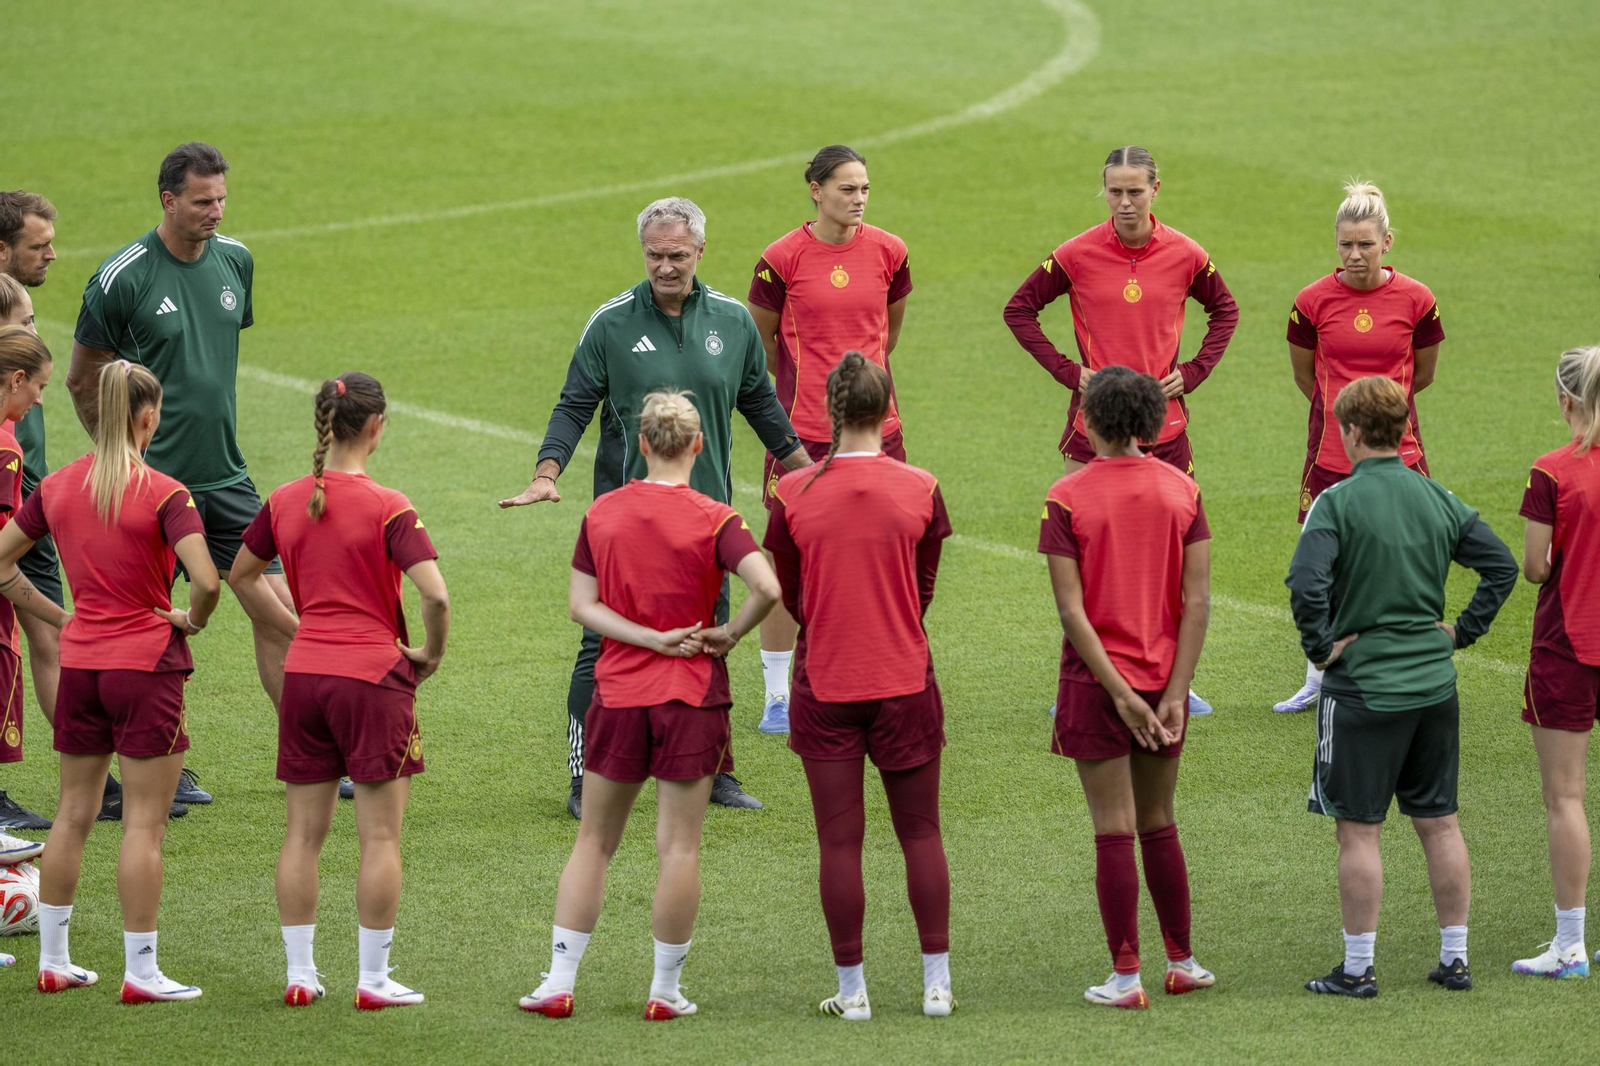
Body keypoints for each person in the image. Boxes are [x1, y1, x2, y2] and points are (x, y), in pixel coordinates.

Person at [500, 196, 811, 818]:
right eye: (654, 255)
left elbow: (760, 403)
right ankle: (586, 778)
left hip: (707, 517)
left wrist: (807, 473)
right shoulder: (611, 323)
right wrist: (546, 470)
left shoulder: (732, 320)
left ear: (700, 251)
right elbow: (573, 404)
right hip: (626, 522)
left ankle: (716, 771)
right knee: (599, 646)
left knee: (713, 641)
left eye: (677, 255)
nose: (665, 267)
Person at [519, 391, 779, 1020]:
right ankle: (664, 992)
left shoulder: (603, 513)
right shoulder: (718, 518)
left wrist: (644, 638)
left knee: (594, 843)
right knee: (679, 849)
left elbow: (584, 607)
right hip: (691, 695)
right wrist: (730, 633)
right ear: (698, 445)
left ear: (640, 444)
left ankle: (558, 983)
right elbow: (768, 587)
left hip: (618, 693)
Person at [68, 142, 294, 812]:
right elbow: (84, 378)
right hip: (150, 488)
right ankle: (165, 764)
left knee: (279, 611)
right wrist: (121, 459)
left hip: (225, 476)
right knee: (148, 632)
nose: (215, 212)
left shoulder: (236, 261)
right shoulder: (123, 278)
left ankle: (308, 754)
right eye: (202, 202)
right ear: (167, 200)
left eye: (221, 199)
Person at [1287, 376, 1516, 998]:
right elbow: (1502, 566)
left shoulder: (1336, 503)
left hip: (1363, 690)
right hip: (1434, 688)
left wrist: (1321, 649)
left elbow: (1305, 585)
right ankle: (1455, 959)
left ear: (1354, 432)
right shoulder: (1436, 497)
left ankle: (1358, 969)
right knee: (1440, 823)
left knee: (1359, 830)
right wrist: (1460, 633)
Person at [3, 357, 220, 1002]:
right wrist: (191, 618)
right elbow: (207, 581)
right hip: (146, 667)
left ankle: (54, 960)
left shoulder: (59, 487)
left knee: (71, 814)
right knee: (144, 825)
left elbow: (1, 560)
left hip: (81, 666)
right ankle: (141, 970)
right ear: (148, 417)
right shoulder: (165, 493)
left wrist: (59, 615)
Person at [229, 373, 449, 1010]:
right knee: (379, 838)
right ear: (376, 427)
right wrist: (430, 653)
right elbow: (434, 593)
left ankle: (300, 976)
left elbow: (243, 577)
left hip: (305, 678)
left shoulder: (284, 499)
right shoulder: (389, 505)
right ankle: (374, 981)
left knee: (302, 835)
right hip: (374, 679)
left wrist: (297, 629)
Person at [1004, 145, 1237, 718]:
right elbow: (1020, 309)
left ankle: (1173, 677)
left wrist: (1195, 372)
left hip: (1168, 432)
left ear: (1157, 188)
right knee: (1082, 562)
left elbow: (1225, 310)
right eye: (1115, 191)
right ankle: (1078, 685)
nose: (1125, 202)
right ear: (1103, 190)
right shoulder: (1077, 254)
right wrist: (1069, 373)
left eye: (1136, 190)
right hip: (1092, 435)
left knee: (1170, 562)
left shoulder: (1185, 254)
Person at [763, 353, 954, 1020]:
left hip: (829, 679)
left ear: (831, 410)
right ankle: (937, 985)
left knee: (839, 843)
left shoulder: (793, 494)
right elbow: (925, 579)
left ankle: (853, 993)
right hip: (904, 675)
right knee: (921, 834)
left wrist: (825, 622)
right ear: (887, 408)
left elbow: (787, 590)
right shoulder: (922, 487)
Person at [1038, 366, 1214, 1010]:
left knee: (1112, 829)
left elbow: (1071, 611)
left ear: (1088, 421)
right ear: (1152, 422)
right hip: (1165, 682)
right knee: (1159, 823)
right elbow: (1197, 603)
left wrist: (1117, 694)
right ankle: (1183, 962)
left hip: (1096, 685)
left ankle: (1126, 975)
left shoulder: (1067, 495)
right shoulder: (1182, 490)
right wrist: (1173, 691)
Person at [746, 145, 914, 735]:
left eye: (865, 188)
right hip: (802, 437)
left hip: (878, 431)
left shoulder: (890, 251)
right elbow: (760, 344)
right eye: (847, 189)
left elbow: (889, 331)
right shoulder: (782, 258)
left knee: (883, 554)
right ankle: (776, 695)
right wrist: (803, 387)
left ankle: (874, 675)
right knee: (784, 558)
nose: (859, 199)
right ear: (815, 190)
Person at [1275, 182, 1445, 715]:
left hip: (1401, 454)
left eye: (1365, 244)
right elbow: (1307, 378)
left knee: (1406, 562)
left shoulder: (1417, 299)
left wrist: (1379, 422)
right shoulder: (1311, 301)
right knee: (1320, 565)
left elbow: (1423, 374)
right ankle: (1318, 679)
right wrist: (1347, 421)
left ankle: (1407, 670)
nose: (1354, 255)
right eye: (1345, 244)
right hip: (1330, 454)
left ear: (1387, 242)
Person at [1512, 346, 1600, 979]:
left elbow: (1536, 568)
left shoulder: (1551, 471)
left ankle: (1570, 945)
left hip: (1568, 645)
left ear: (1565, 399)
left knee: (1565, 797)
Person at [0, 194, 65, 834]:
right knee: (39, 638)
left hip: (27, 497)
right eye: (37, 244)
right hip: (16, 504)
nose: (51, 254)